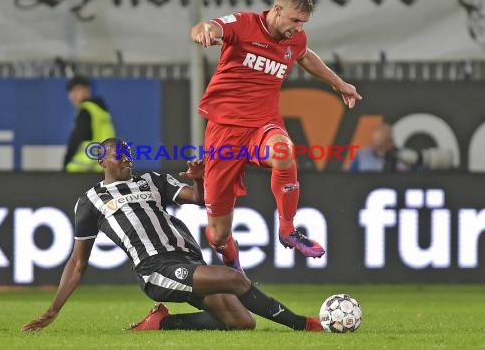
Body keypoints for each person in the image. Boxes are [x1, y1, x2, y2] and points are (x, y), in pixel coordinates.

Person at [22, 138, 323, 332]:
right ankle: (302, 325)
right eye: (120, 155)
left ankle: (163, 323)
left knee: (242, 322)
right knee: (233, 278)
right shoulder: (91, 201)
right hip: (156, 270)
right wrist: (53, 310)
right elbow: (77, 263)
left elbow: (201, 199)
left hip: (188, 260)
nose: (128, 159)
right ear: (103, 162)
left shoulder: (152, 181)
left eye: (129, 154)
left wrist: (202, 179)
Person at [190, 0, 362, 270]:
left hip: (263, 125)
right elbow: (208, 27)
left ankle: (287, 228)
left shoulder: (295, 39)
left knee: (283, 151)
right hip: (224, 131)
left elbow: (305, 55)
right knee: (218, 234)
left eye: (303, 23)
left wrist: (339, 83)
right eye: (295, 20)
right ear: (277, 10)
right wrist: (203, 31)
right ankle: (232, 263)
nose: (298, 28)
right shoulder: (244, 24)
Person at [63, 75, 116, 172]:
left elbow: (77, 138)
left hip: (82, 170)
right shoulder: (102, 111)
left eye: (77, 89)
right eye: (71, 91)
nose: (73, 95)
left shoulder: (86, 110)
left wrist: (65, 163)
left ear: (88, 90)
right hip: (102, 170)